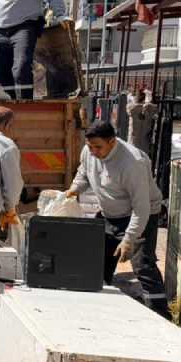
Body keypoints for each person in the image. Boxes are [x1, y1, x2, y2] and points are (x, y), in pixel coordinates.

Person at [65, 120, 168, 318]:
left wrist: (129, 239)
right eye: (90, 146)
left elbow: (142, 207)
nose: (93, 151)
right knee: (98, 261)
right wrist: (73, 190)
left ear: (112, 142)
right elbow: (83, 173)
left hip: (139, 215)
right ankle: (101, 309)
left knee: (142, 266)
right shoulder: (89, 151)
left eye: (98, 147)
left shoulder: (132, 163)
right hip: (109, 215)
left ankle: (160, 314)